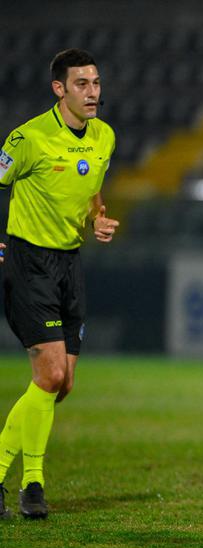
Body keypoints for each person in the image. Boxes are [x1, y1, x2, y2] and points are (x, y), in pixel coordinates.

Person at [0, 49, 119, 520]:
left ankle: (26, 483)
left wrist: (99, 219)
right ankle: (32, 483)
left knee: (60, 384)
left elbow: (92, 193)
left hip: (70, 264)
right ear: (59, 89)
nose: (92, 93)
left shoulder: (104, 137)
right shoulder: (28, 138)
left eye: (96, 83)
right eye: (82, 84)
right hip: (28, 262)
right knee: (49, 375)